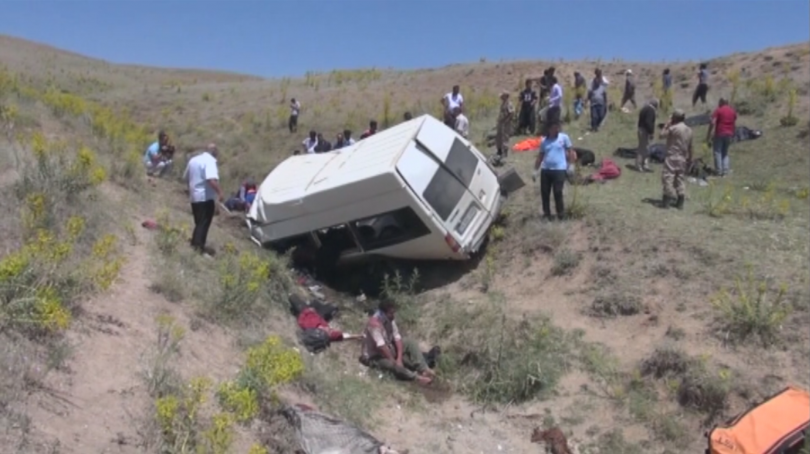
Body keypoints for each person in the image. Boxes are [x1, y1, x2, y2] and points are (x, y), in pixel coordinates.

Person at [360, 300, 435, 385]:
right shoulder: (374, 324)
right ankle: (416, 377)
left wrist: (399, 358)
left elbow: (397, 338)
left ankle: (424, 369)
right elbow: (381, 347)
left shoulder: (389, 319)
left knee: (410, 343)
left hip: (388, 347)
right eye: (391, 313)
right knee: (391, 365)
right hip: (374, 355)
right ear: (383, 313)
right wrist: (393, 361)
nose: (393, 316)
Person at [183, 143, 223, 255]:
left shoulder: (193, 160)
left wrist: (190, 189)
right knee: (203, 223)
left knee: (199, 222)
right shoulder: (210, 161)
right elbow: (211, 180)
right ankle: (198, 248)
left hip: (194, 195)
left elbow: (186, 177)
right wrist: (220, 193)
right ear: (214, 152)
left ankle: (195, 243)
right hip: (205, 197)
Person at [534, 120, 575, 221]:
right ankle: (546, 214)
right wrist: (535, 170)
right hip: (546, 169)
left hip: (559, 169)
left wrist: (571, 165)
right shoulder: (544, 141)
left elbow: (570, 151)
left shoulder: (564, 138)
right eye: (554, 128)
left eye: (557, 128)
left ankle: (561, 214)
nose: (556, 130)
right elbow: (540, 156)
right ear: (549, 129)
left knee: (558, 192)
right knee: (545, 193)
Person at [659, 109, 693, 210]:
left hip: (672, 156)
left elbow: (661, 135)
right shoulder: (689, 130)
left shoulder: (673, 128)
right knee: (680, 179)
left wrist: (666, 125)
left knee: (668, 177)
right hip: (683, 158)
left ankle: (667, 200)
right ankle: (680, 201)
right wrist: (690, 158)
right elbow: (690, 146)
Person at [706, 98, 737, 177]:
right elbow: (734, 121)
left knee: (717, 152)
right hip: (730, 133)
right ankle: (725, 170)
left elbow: (713, 122)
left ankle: (719, 171)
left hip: (720, 133)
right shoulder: (732, 111)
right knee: (725, 152)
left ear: (721, 102)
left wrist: (709, 134)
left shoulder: (719, 110)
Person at [635, 99, 659, 172]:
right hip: (644, 130)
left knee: (646, 148)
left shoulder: (644, 108)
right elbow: (648, 122)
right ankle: (638, 165)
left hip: (641, 129)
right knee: (642, 148)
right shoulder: (651, 110)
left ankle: (645, 164)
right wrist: (651, 132)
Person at [494, 90, 515, 162]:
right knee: (499, 137)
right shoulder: (503, 103)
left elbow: (511, 113)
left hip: (506, 124)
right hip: (501, 123)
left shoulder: (509, 104)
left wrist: (506, 120)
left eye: (503, 96)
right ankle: (499, 151)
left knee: (505, 138)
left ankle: (504, 153)